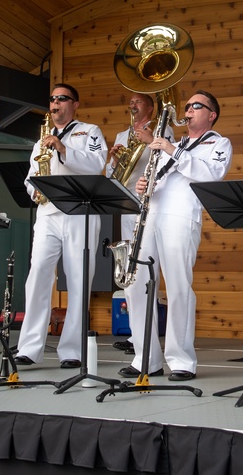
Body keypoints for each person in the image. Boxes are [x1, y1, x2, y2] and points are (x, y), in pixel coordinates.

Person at [114, 90, 231, 381]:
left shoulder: (218, 143)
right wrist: (145, 184)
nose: (188, 110)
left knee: (178, 287)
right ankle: (145, 357)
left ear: (211, 114)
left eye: (196, 106)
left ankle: (181, 360)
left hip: (181, 217)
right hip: (150, 214)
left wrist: (171, 150)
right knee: (135, 285)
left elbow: (210, 174)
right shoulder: (172, 144)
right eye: (188, 105)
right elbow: (163, 178)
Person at [15, 83, 107, 369]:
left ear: (75, 104)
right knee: (38, 277)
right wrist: (34, 191)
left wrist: (63, 148)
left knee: (79, 280)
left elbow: (97, 164)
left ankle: (72, 350)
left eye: (62, 99)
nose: (55, 104)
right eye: (52, 99)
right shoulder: (41, 139)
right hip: (48, 213)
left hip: (80, 212)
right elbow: (31, 176)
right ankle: (29, 348)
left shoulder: (90, 131)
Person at [105, 92, 173, 356]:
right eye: (131, 102)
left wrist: (149, 141)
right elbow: (115, 176)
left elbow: (168, 160)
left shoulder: (162, 128)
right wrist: (113, 160)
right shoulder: (123, 135)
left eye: (139, 102)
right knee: (129, 272)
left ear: (151, 107)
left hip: (152, 203)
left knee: (146, 274)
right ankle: (136, 336)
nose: (133, 105)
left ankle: (147, 337)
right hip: (127, 205)